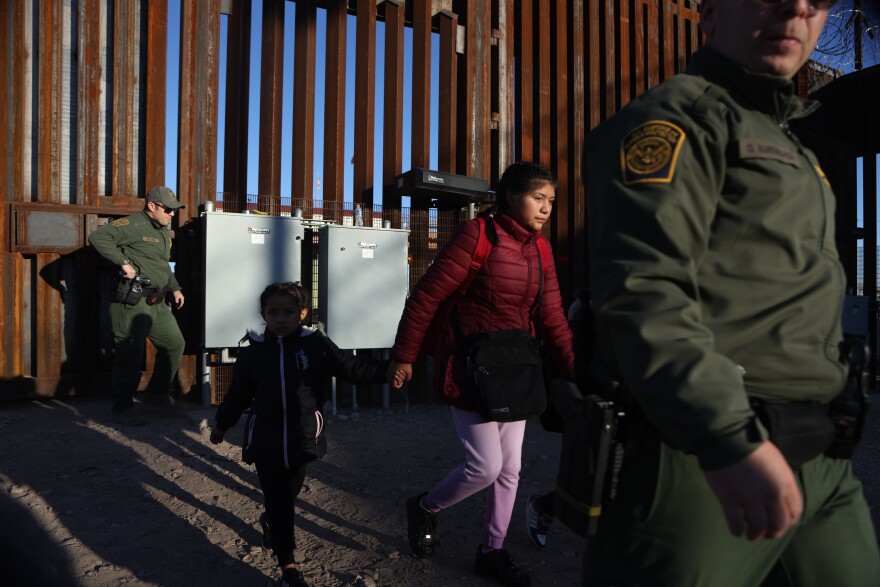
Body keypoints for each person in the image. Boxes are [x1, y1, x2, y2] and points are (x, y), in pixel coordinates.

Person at [583, 0, 880, 586]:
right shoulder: (676, 121)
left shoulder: (791, 140)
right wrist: (725, 439)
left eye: (817, 0)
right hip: (708, 457)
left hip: (822, 455)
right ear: (710, 13)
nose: (797, 8)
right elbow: (645, 290)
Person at [389, 161, 575, 587]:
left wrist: (574, 370)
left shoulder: (541, 249)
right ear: (512, 197)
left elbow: (553, 317)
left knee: (511, 470)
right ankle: (425, 507)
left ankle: (493, 551)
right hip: (471, 367)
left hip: (516, 370)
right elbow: (427, 297)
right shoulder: (477, 235)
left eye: (550, 201)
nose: (546, 209)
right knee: (485, 467)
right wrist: (405, 355)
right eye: (538, 198)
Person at [210, 282, 392, 587]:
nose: (280, 318)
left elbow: (353, 368)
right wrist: (222, 424)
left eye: (289, 312)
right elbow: (238, 393)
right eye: (273, 312)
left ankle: (270, 519)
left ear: (302, 313)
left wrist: (391, 370)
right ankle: (289, 569)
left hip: (301, 437)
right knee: (281, 501)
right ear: (263, 314)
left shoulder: (316, 345)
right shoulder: (254, 352)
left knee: (288, 495)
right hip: (266, 438)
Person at [88, 185, 186, 426]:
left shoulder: (162, 229)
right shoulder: (132, 225)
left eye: (174, 210)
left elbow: (161, 263)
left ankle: (157, 394)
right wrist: (123, 263)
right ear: (151, 206)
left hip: (157, 301)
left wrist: (174, 287)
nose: (171, 214)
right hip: (132, 302)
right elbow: (98, 237)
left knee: (174, 343)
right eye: (167, 210)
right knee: (129, 354)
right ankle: (121, 408)